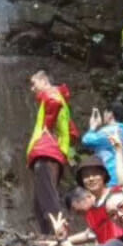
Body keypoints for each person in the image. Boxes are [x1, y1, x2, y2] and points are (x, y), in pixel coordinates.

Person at [26, 71, 78, 235]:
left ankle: (58, 236)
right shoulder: (61, 98)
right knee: (41, 201)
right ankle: (48, 235)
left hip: (46, 152)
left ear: (44, 81)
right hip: (54, 154)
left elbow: (53, 102)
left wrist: (47, 128)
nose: (32, 88)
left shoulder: (51, 94)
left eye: (34, 84)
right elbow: (73, 132)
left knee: (47, 199)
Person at [52, 157, 123, 246]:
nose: (91, 178)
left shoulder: (119, 193)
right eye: (86, 176)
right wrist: (60, 240)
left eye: (95, 174)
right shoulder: (91, 212)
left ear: (103, 175)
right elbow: (90, 234)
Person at [80, 100, 123, 186]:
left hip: (111, 177)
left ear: (110, 114)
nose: (103, 116)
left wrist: (93, 127)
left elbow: (86, 140)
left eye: (105, 113)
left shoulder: (107, 132)